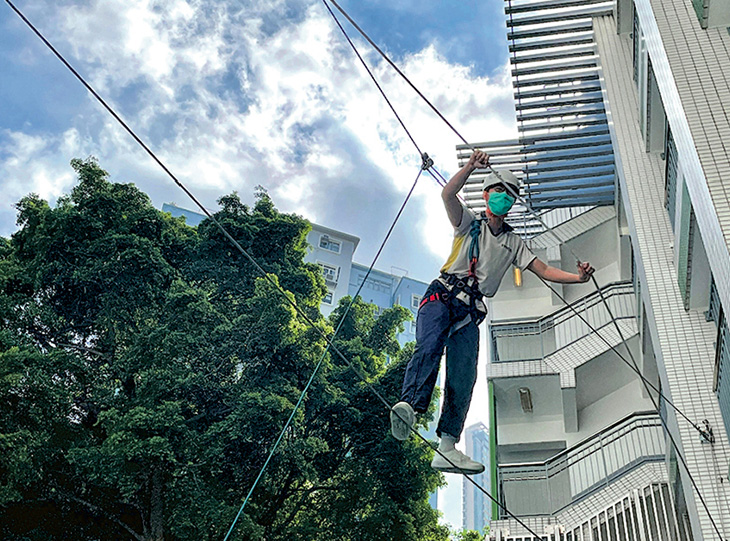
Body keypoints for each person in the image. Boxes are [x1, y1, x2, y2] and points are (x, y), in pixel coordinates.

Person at [390, 150, 594, 474]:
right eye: (497, 191)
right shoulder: (469, 224)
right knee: (428, 347)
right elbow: (447, 194)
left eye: (508, 194)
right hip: (442, 296)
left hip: (470, 314)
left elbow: (543, 270)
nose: (502, 197)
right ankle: (410, 407)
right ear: (486, 195)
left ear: (512, 203)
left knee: (464, 376)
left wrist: (578, 278)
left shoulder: (514, 243)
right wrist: (471, 165)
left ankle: (447, 447)